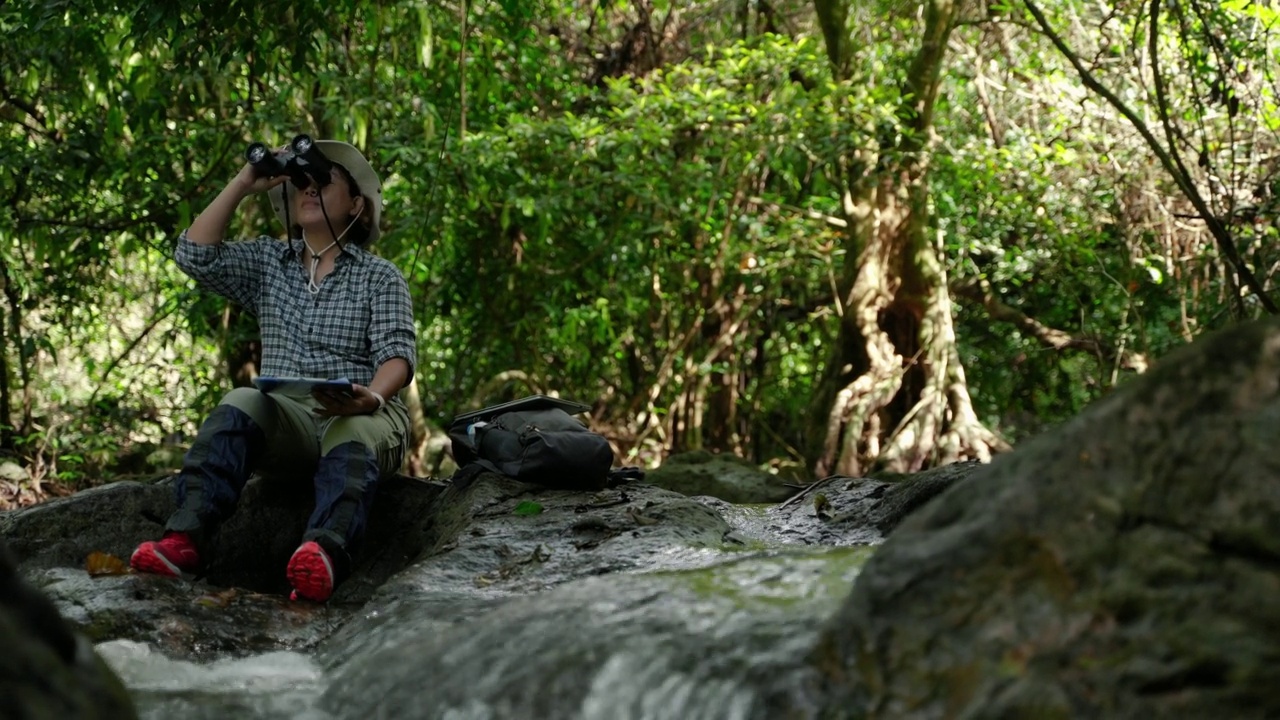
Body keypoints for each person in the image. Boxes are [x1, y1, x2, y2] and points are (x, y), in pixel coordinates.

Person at [129, 138, 415, 603]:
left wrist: (374, 398)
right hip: (291, 421)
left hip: (363, 414)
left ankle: (321, 555)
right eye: (302, 182)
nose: (309, 189)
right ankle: (183, 543)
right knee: (239, 401)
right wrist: (245, 182)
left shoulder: (379, 277)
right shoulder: (269, 263)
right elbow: (193, 255)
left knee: (352, 429)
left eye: (323, 181)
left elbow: (397, 357)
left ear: (357, 205)